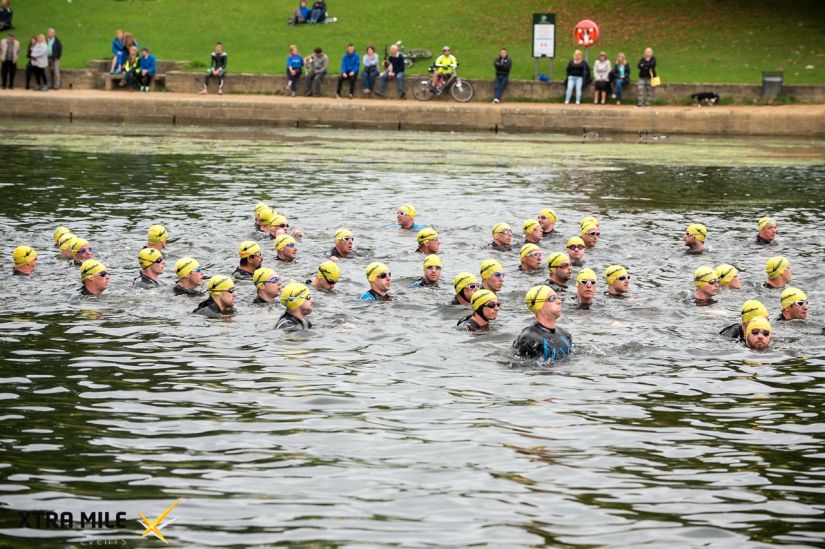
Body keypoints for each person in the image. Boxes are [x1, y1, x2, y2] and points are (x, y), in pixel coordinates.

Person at [513, 285, 573, 361]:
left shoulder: (565, 335)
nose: (559, 301)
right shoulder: (529, 339)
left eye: (557, 298)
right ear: (539, 305)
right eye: (552, 298)